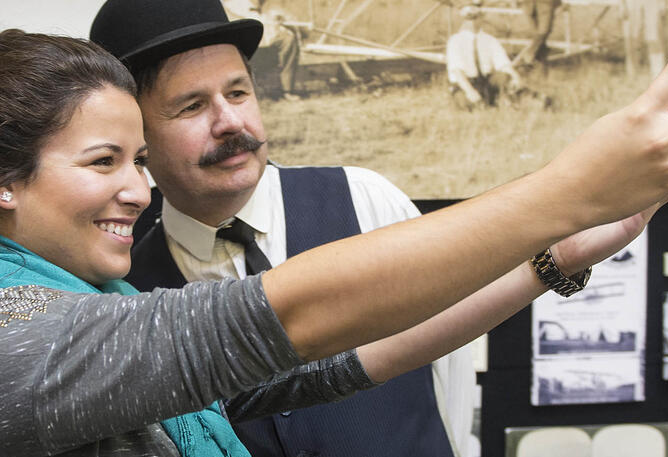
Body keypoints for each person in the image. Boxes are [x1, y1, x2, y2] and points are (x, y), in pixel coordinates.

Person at [0, 11, 668, 455]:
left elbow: (347, 360)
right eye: (105, 161)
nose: (136, 190)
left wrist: (555, 257)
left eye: (138, 160)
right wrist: (569, 189)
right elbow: (273, 318)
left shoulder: (79, 307)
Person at [93, 0, 478, 453]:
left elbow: (451, 376)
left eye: (238, 93)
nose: (231, 122)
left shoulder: (365, 200)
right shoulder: (121, 280)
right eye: (192, 106)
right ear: (135, 135)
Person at [445, 1, 524, 108]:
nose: (472, 23)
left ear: (482, 19)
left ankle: (508, 101)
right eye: (469, 19)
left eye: (476, 18)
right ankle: (487, 102)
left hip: (485, 81)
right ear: (463, 20)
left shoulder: (490, 40)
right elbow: (457, 71)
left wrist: (516, 77)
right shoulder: (455, 41)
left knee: (505, 77)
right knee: (466, 104)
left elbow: (503, 63)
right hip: (465, 84)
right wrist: (470, 91)